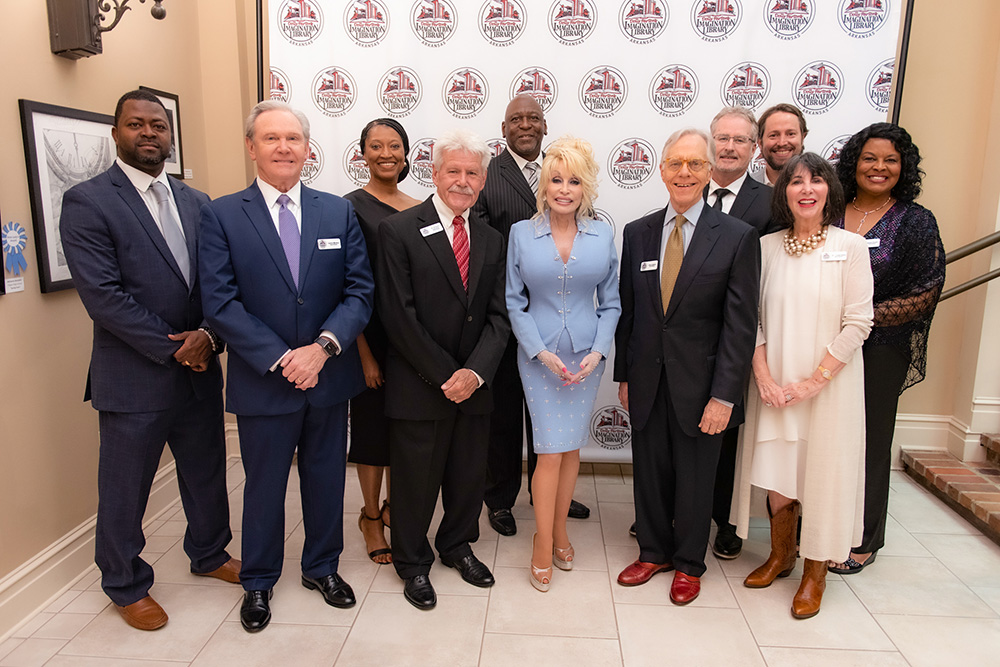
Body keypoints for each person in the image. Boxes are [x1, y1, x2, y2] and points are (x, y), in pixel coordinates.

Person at [60, 89, 239, 631]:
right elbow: (103, 296)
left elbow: (218, 284)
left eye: (158, 125)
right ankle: (124, 582)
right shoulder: (88, 201)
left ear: (169, 134)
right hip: (134, 376)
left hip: (200, 369)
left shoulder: (197, 201)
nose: (149, 133)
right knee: (125, 485)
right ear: (115, 132)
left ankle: (209, 553)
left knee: (206, 471)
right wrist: (177, 347)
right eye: (136, 124)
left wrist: (209, 334)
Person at [200, 101, 374, 632]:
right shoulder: (222, 213)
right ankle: (257, 580)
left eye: (293, 138)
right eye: (271, 138)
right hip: (264, 381)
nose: (283, 147)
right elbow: (220, 302)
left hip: (328, 377)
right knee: (264, 486)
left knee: (325, 481)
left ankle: (322, 567)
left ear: (308, 148)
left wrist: (321, 348)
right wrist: (282, 358)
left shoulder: (337, 212)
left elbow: (360, 292)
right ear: (252, 147)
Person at [614, 128, 759, 605]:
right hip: (648, 379)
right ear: (661, 170)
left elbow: (740, 326)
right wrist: (625, 376)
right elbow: (629, 313)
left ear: (709, 171)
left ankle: (689, 564)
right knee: (650, 471)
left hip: (704, 387)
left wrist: (725, 395)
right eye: (675, 163)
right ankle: (653, 551)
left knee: (697, 479)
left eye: (695, 165)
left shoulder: (737, 237)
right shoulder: (637, 233)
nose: (685, 173)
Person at [732, 152, 873, 619]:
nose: (806, 189)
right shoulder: (766, 246)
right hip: (775, 386)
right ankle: (781, 555)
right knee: (779, 472)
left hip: (828, 388)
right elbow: (748, 319)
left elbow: (859, 322)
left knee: (822, 474)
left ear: (829, 189)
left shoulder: (851, 247)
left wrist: (817, 379)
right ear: (784, 192)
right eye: (796, 182)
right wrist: (765, 377)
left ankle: (815, 573)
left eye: (816, 181)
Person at [378, 129, 510, 610]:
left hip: (474, 386)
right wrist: (445, 375)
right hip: (420, 385)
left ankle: (456, 545)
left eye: (472, 172)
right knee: (414, 482)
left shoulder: (493, 239)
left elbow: (500, 316)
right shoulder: (399, 230)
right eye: (452, 170)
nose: (462, 180)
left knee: (467, 477)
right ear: (433, 174)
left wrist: (473, 374)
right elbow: (397, 315)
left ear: (483, 179)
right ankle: (412, 563)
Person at [828, 123, 946, 575]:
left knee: (870, 440)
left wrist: (860, 320)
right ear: (854, 163)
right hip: (827, 344)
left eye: (890, 160)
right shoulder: (829, 211)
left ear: (903, 168)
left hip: (881, 347)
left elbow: (927, 291)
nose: (879, 167)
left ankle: (863, 538)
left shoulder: (916, 221)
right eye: (870, 158)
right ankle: (821, 526)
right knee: (827, 438)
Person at [471, 94, 590, 537]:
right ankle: (499, 498)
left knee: (552, 415)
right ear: (503, 130)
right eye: (516, 119)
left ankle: (552, 494)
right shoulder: (489, 174)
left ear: (544, 126)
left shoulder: (563, 169)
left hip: (557, 325)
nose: (525, 125)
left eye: (533, 118)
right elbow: (481, 244)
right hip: (506, 318)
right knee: (504, 416)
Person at [505, 137, 621, 591]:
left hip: (585, 358)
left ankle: (560, 531)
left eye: (574, 181)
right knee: (549, 450)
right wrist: (539, 351)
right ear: (544, 184)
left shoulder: (603, 234)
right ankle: (542, 539)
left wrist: (599, 351)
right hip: (539, 357)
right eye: (556, 179)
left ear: (586, 187)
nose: (564, 189)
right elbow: (514, 303)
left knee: (570, 447)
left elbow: (611, 302)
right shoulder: (521, 233)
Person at [345, 118, 421, 565]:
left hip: (409, 339)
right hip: (369, 340)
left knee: (404, 431)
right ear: (363, 153)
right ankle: (371, 515)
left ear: (407, 153)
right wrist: (364, 354)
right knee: (373, 433)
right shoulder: (348, 208)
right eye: (376, 146)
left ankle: (395, 507)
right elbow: (345, 287)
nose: (385, 153)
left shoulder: (420, 207)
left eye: (394, 145)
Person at [705, 106, 779, 560]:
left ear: (754, 148)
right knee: (681, 428)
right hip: (688, 335)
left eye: (740, 140)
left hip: (740, 336)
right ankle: (675, 510)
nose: (729, 147)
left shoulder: (770, 202)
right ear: (711, 141)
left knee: (729, 432)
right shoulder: (690, 191)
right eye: (722, 138)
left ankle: (726, 521)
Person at [757, 103, 807, 186]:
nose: (782, 143)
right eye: (773, 135)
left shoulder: (822, 189)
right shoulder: (742, 189)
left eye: (790, 134)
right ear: (760, 142)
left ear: (802, 138)